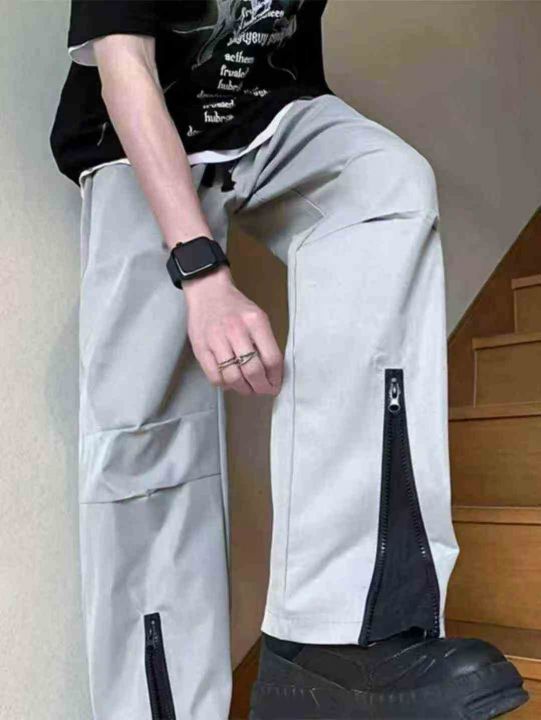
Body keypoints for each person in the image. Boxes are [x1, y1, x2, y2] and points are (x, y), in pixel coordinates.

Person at [50, 2, 528, 719]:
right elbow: (124, 63)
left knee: (385, 185)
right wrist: (199, 271)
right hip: (133, 135)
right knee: (147, 438)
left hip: (275, 118)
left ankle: (332, 640)